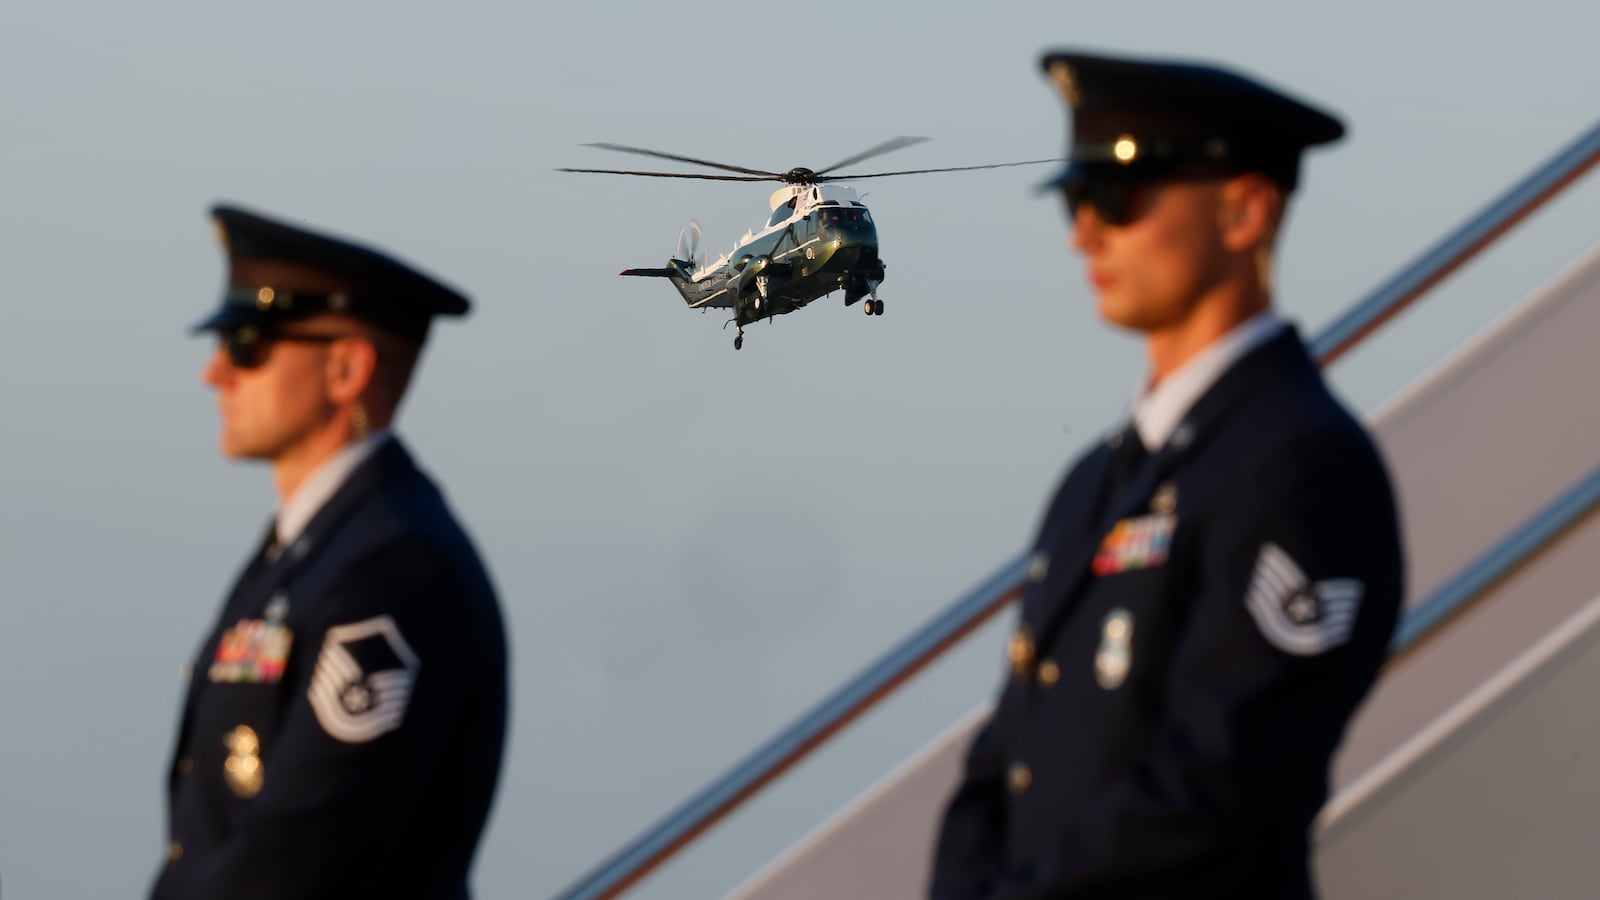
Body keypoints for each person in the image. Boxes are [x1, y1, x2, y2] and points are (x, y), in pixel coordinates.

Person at [930, 50, 1405, 900]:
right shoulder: (1096, 483)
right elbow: (1006, 762)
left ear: (1244, 213)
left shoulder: (1299, 462)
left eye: (1119, 196)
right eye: (1078, 200)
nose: (1085, 232)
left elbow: (1228, 783)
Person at [152, 204, 509, 899]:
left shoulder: (391, 567)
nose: (215, 373)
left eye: (248, 343)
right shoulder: (314, 551)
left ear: (345, 369)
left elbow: (302, 860)